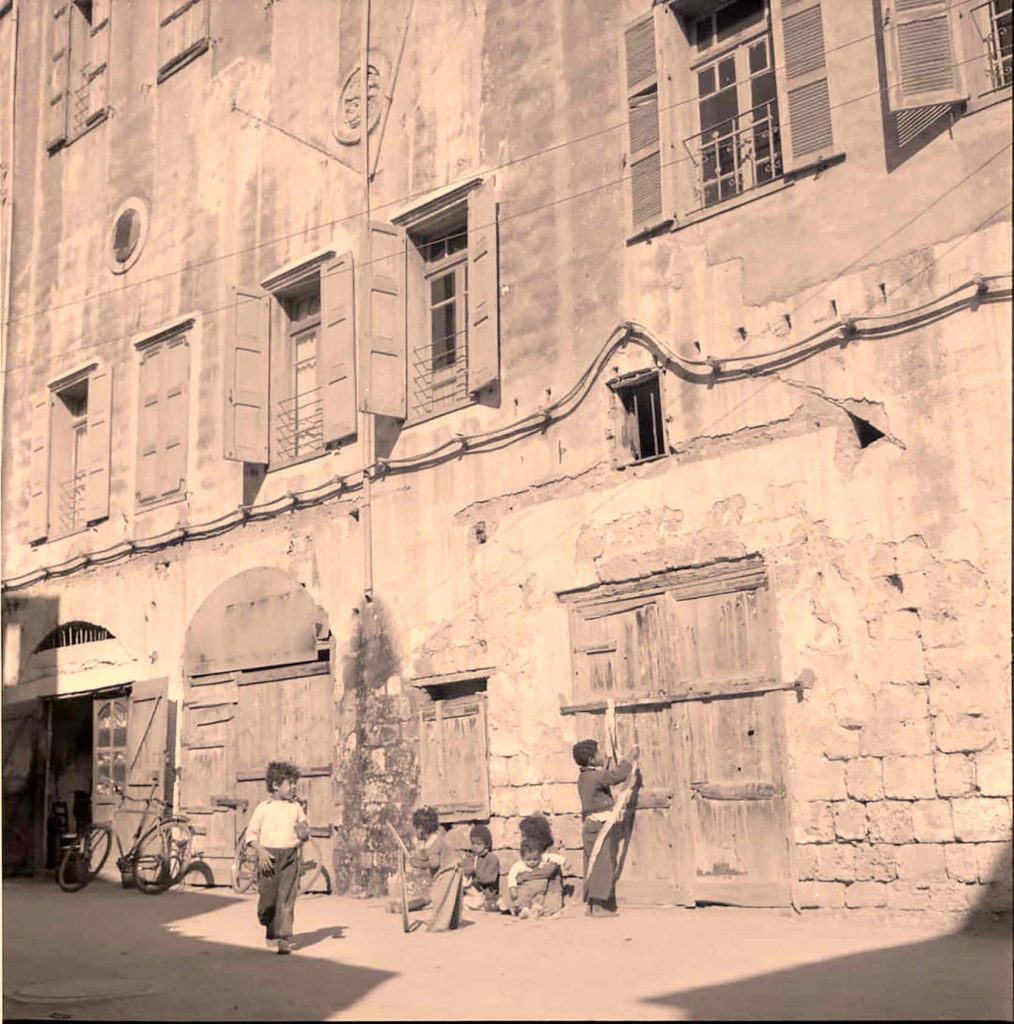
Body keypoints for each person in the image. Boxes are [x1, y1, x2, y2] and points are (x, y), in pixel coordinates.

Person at [246, 760, 310, 954]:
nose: (294, 787)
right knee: (269, 900)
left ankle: (283, 938)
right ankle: (267, 921)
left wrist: (304, 832)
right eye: (290, 783)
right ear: (275, 785)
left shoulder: (295, 807)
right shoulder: (263, 808)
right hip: (268, 858)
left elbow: (303, 829)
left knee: (286, 899)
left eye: (295, 783)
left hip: (290, 857)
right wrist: (261, 852)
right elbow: (251, 835)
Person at [573, 738, 638, 917]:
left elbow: (604, 776)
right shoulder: (595, 777)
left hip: (591, 826)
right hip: (600, 826)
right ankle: (599, 906)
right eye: (599, 752)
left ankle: (591, 904)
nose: (602, 754)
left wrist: (608, 760)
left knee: (592, 863)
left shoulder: (585, 776)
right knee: (603, 864)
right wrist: (629, 758)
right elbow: (616, 776)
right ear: (592, 759)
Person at [408, 806, 463, 931]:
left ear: (421, 829)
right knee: (447, 896)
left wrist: (419, 864)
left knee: (439, 897)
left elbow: (434, 863)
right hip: (451, 868)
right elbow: (427, 855)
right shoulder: (434, 839)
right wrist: (417, 858)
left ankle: (439, 924)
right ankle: (450, 923)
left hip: (449, 870)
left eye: (415, 828)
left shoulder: (434, 843)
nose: (415, 832)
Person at [505, 840, 564, 918]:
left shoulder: (543, 861)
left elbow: (555, 858)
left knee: (540, 898)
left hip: (541, 888)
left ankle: (536, 909)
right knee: (523, 896)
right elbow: (512, 875)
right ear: (523, 858)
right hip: (527, 887)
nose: (532, 862)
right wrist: (512, 887)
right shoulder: (519, 865)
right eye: (528, 860)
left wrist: (565, 862)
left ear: (540, 857)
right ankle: (524, 910)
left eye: (535, 859)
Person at [461, 824, 501, 912]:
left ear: (487, 844)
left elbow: (490, 878)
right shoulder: (471, 857)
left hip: (485, 893)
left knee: (469, 901)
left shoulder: (492, 858)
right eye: (473, 843)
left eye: (478, 844)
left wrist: (475, 873)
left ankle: (483, 905)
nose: (475, 846)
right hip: (472, 891)